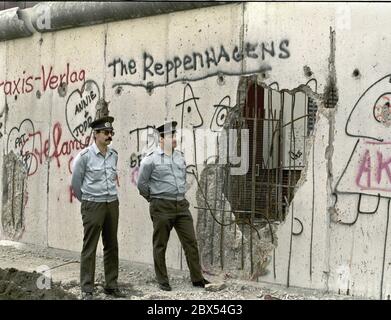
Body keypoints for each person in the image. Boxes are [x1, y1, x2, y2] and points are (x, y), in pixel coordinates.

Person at [137, 121, 210, 291]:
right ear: (161, 139)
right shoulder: (150, 160)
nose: (174, 139)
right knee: (160, 244)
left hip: (181, 206)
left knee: (191, 242)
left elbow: (183, 178)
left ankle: (197, 278)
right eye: (171, 136)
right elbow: (142, 184)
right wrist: (154, 199)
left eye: (175, 135)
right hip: (161, 206)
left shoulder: (180, 156)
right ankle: (163, 281)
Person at [71, 115, 125, 300]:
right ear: (96, 134)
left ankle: (111, 285)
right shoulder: (84, 157)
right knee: (90, 246)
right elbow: (76, 184)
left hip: (111, 204)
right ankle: (87, 288)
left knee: (111, 245)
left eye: (111, 132)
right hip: (93, 204)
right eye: (106, 132)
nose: (109, 135)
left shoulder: (114, 155)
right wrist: (87, 201)